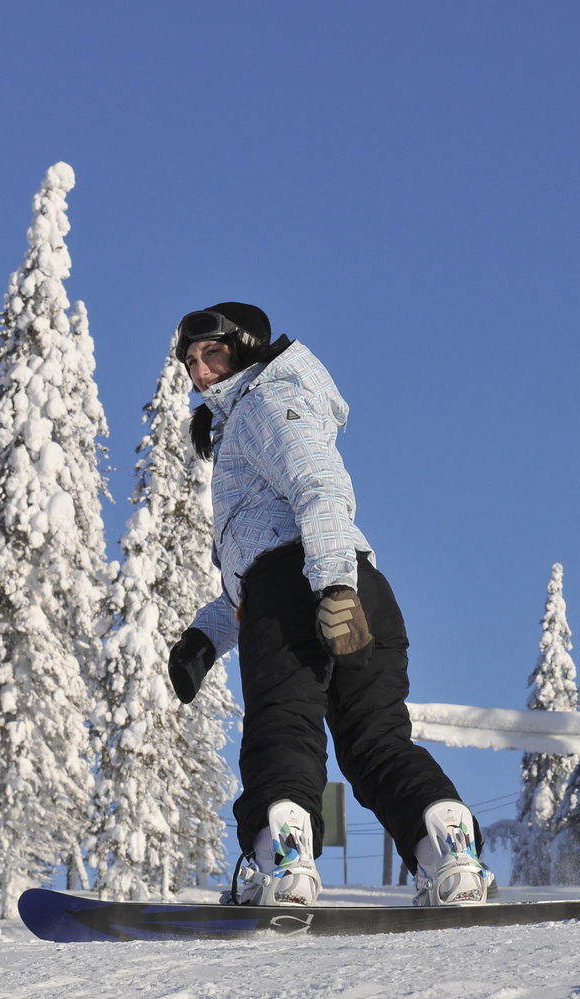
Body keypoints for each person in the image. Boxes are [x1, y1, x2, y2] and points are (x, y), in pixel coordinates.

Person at [164, 302, 492, 908]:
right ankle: (449, 855)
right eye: (190, 362)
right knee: (377, 742)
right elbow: (261, 557)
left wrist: (332, 588)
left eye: (212, 354)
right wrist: (207, 636)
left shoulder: (263, 403)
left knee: (282, 727)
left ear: (245, 348)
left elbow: (320, 487)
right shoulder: (258, 411)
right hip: (350, 582)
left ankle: (285, 870)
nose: (200, 373)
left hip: (312, 586)